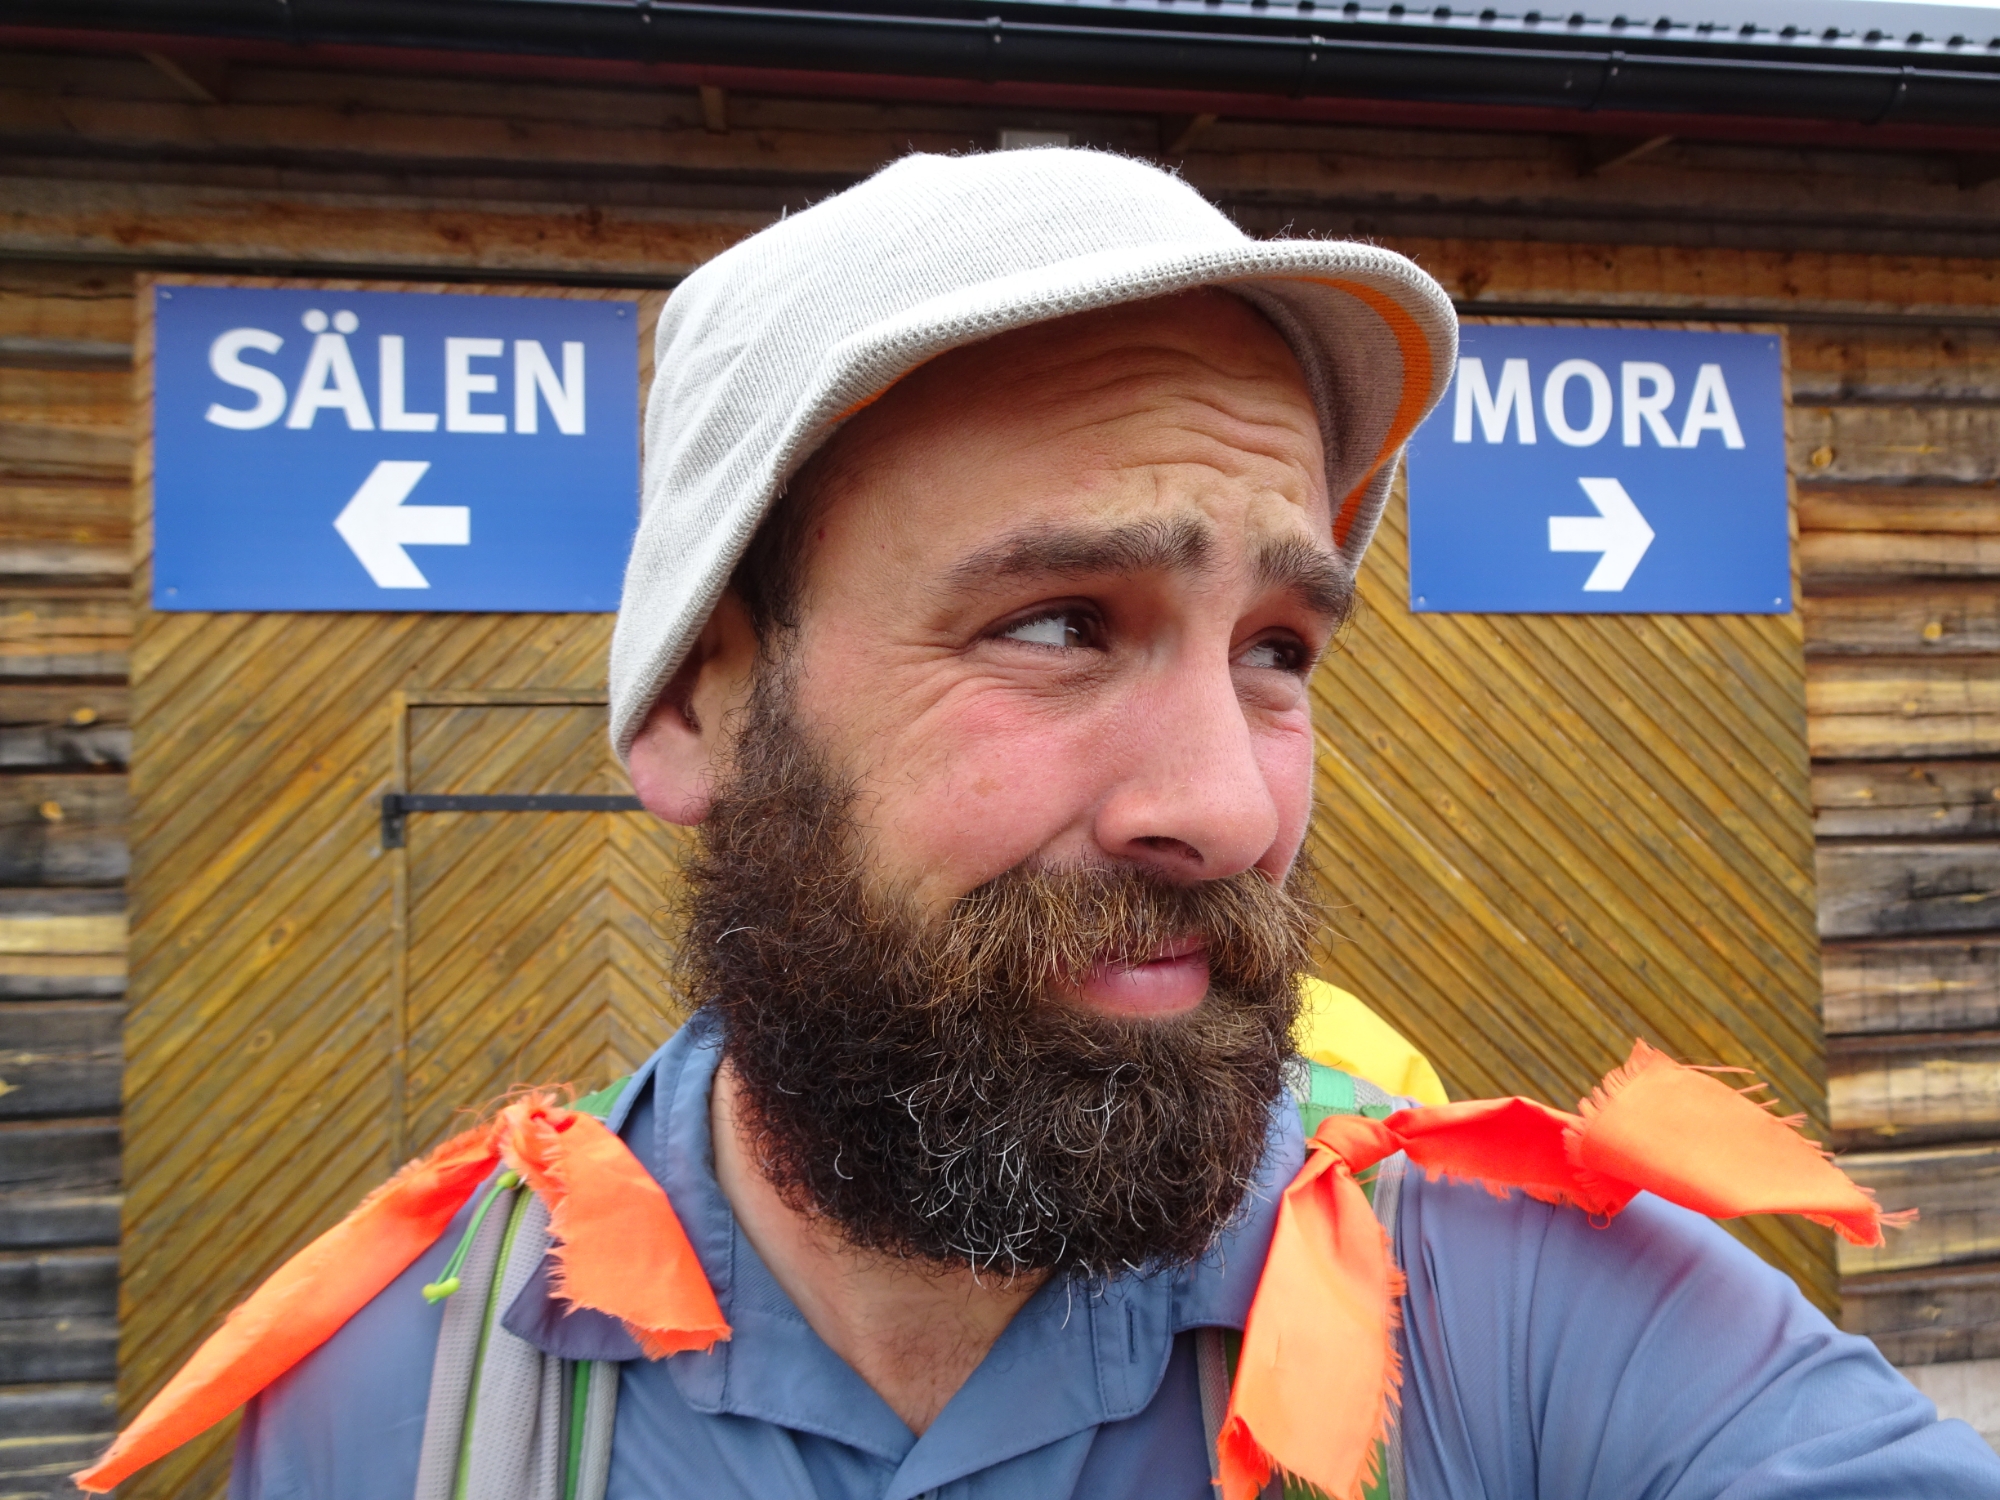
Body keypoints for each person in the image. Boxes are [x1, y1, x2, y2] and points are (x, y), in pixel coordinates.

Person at [83, 149, 2000, 1500]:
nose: (1228, 809)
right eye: (1062, 624)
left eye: (1276, 648)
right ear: (694, 702)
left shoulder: (1548, 1320)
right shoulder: (400, 1400)